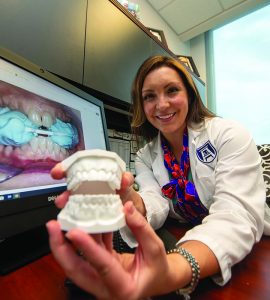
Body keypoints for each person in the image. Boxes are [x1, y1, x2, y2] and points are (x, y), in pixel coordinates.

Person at [46, 55, 270, 300]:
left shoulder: (228, 134)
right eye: (149, 96)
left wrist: (175, 268)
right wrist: (129, 198)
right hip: (189, 231)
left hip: (247, 244)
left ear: (190, 95)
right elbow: (157, 201)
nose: (161, 104)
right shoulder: (146, 155)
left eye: (172, 90)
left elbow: (234, 215)